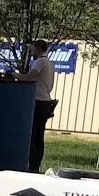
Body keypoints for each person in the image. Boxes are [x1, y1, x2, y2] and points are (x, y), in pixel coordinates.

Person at [24, 40, 58, 171]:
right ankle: (36, 164)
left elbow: (28, 78)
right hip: (46, 103)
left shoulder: (40, 62)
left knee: (32, 135)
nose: (32, 52)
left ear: (38, 49)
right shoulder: (50, 64)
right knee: (39, 136)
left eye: (33, 49)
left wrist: (15, 75)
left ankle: (32, 165)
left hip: (38, 101)